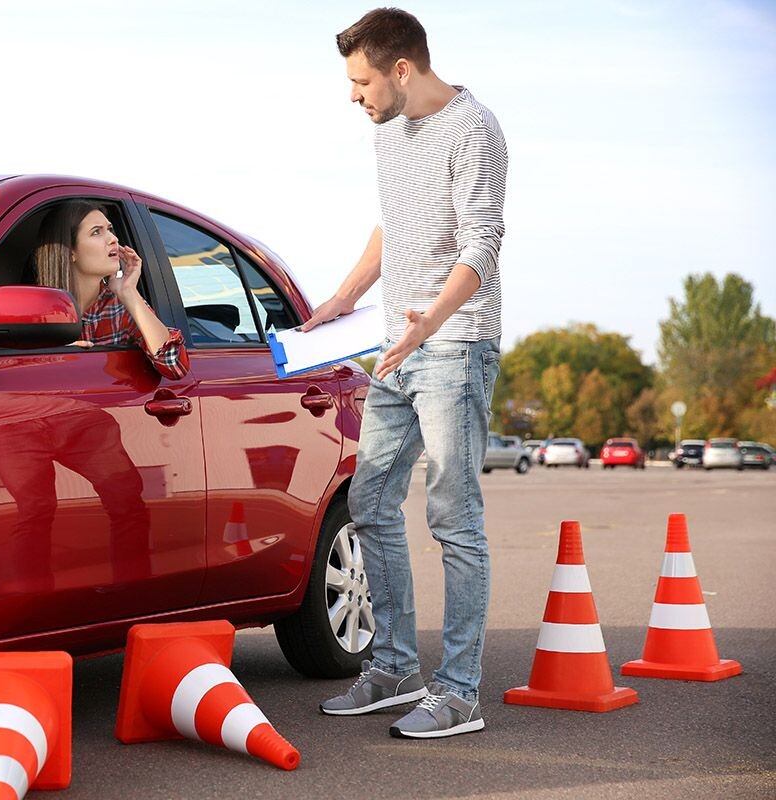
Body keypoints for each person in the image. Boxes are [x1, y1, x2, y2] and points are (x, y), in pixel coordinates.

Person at [304, 8, 508, 738]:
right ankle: (392, 668)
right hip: (398, 349)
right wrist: (341, 299)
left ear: (400, 70)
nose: (352, 95)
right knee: (369, 498)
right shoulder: (389, 133)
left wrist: (431, 320)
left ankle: (458, 693)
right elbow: (392, 225)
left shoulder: (475, 128)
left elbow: (483, 244)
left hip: (455, 347)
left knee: (454, 517)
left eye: (361, 81)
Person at [33, 200, 189, 380]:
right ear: (69, 252)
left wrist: (129, 291)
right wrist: (54, 356)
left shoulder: (121, 306)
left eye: (110, 229)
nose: (113, 239)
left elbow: (175, 366)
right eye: (96, 232)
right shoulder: (34, 312)